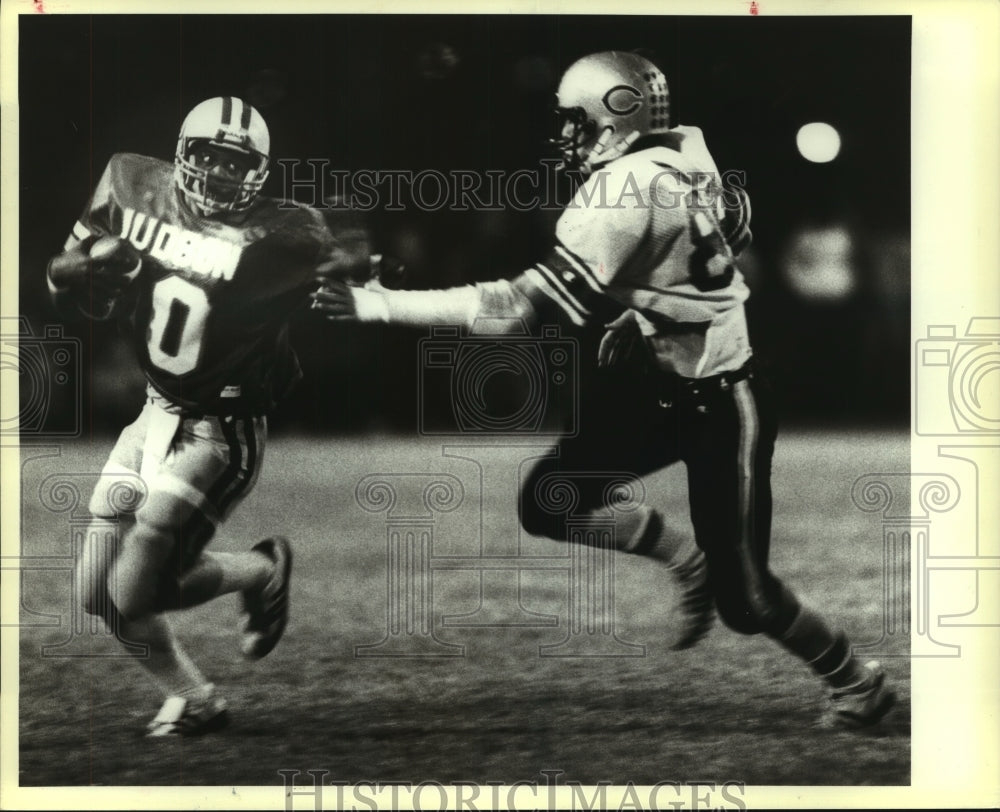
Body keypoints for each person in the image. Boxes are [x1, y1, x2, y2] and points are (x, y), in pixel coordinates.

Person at [311, 51, 895, 728]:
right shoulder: (688, 151)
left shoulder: (618, 192)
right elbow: (727, 239)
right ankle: (688, 563)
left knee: (750, 601)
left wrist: (379, 306)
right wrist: (645, 308)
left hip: (723, 400)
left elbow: (512, 309)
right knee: (549, 500)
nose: (565, 136)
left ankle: (858, 683)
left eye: (575, 120)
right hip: (664, 379)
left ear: (614, 117)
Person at [46, 96, 366, 737]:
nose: (220, 174)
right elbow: (61, 279)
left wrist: (362, 273)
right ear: (181, 155)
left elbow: (351, 265)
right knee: (94, 596)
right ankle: (196, 699)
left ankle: (261, 570)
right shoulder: (131, 183)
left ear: (259, 172)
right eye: (209, 158)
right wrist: (81, 272)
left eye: (235, 163)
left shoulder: (286, 231)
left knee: (135, 591)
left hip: (220, 430)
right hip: (153, 413)